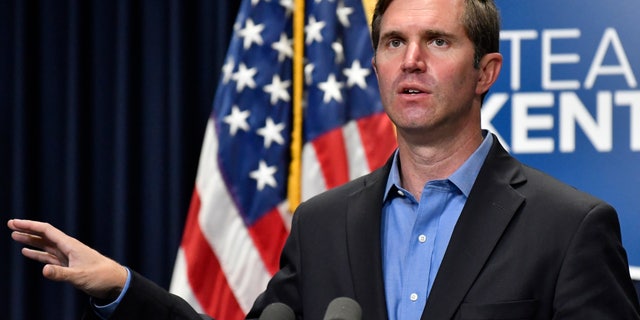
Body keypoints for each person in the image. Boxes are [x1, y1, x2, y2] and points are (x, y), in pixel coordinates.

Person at [8, 0, 640, 318]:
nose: (411, 59)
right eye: (394, 41)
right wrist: (122, 287)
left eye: (437, 41)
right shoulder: (322, 223)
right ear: (376, 66)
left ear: (486, 71)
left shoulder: (569, 227)